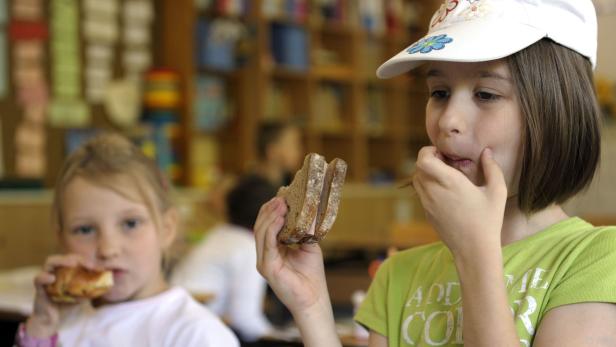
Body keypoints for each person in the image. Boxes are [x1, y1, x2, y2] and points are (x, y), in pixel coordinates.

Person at [253, 1, 616, 346]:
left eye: (486, 94)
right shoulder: (398, 274)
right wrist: (312, 308)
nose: (447, 121)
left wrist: (475, 251)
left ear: (559, 110)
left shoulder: (597, 259)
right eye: (439, 92)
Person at [16, 133, 239, 347]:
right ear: (61, 238)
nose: (108, 249)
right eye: (84, 229)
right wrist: (42, 327)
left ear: (167, 228)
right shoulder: (58, 323)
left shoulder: (196, 333)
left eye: (130, 224)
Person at [171, 176, 277, 342]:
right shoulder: (247, 246)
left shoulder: (219, 233)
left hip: (180, 325)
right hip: (195, 333)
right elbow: (244, 318)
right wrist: (284, 338)